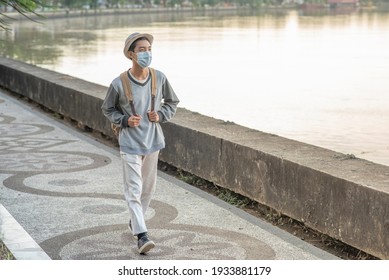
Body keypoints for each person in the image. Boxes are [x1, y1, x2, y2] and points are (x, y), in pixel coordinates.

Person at [101, 32, 179, 254]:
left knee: (148, 189)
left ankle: (136, 223)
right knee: (133, 190)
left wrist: (161, 114)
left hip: (153, 140)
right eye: (142, 50)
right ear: (131, 54)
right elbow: (107, 109)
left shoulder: (159, 77)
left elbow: (172, 102)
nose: (147, 53)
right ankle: (142, 236)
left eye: (149, 49)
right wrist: (124, 119)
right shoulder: (118, 83)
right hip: (130, 143)